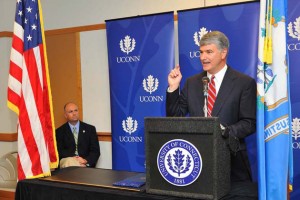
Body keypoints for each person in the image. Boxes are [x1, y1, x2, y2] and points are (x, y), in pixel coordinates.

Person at [166, 31, 257, 198]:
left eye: (209, 52)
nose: (203, 57)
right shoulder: (192, 82)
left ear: (223, 53)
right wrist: (173, 87)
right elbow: (174, 118)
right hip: (196, 167)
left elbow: (249, 123)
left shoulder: (244, 83)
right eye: (201, 52)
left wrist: (224, 131)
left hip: (231, 168)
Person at [56, 102, 100, 168]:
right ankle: (80, 168)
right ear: (65, 115)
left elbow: (95, 151)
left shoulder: (90, 129)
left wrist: (85, 161)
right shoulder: (59, 131)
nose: (74, 113)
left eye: (76, 110)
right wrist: (75, 159)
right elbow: (59, 151)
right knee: (69, 162)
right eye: (70, 111)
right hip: (67, 161)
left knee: (74, 166)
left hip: (85, 162)